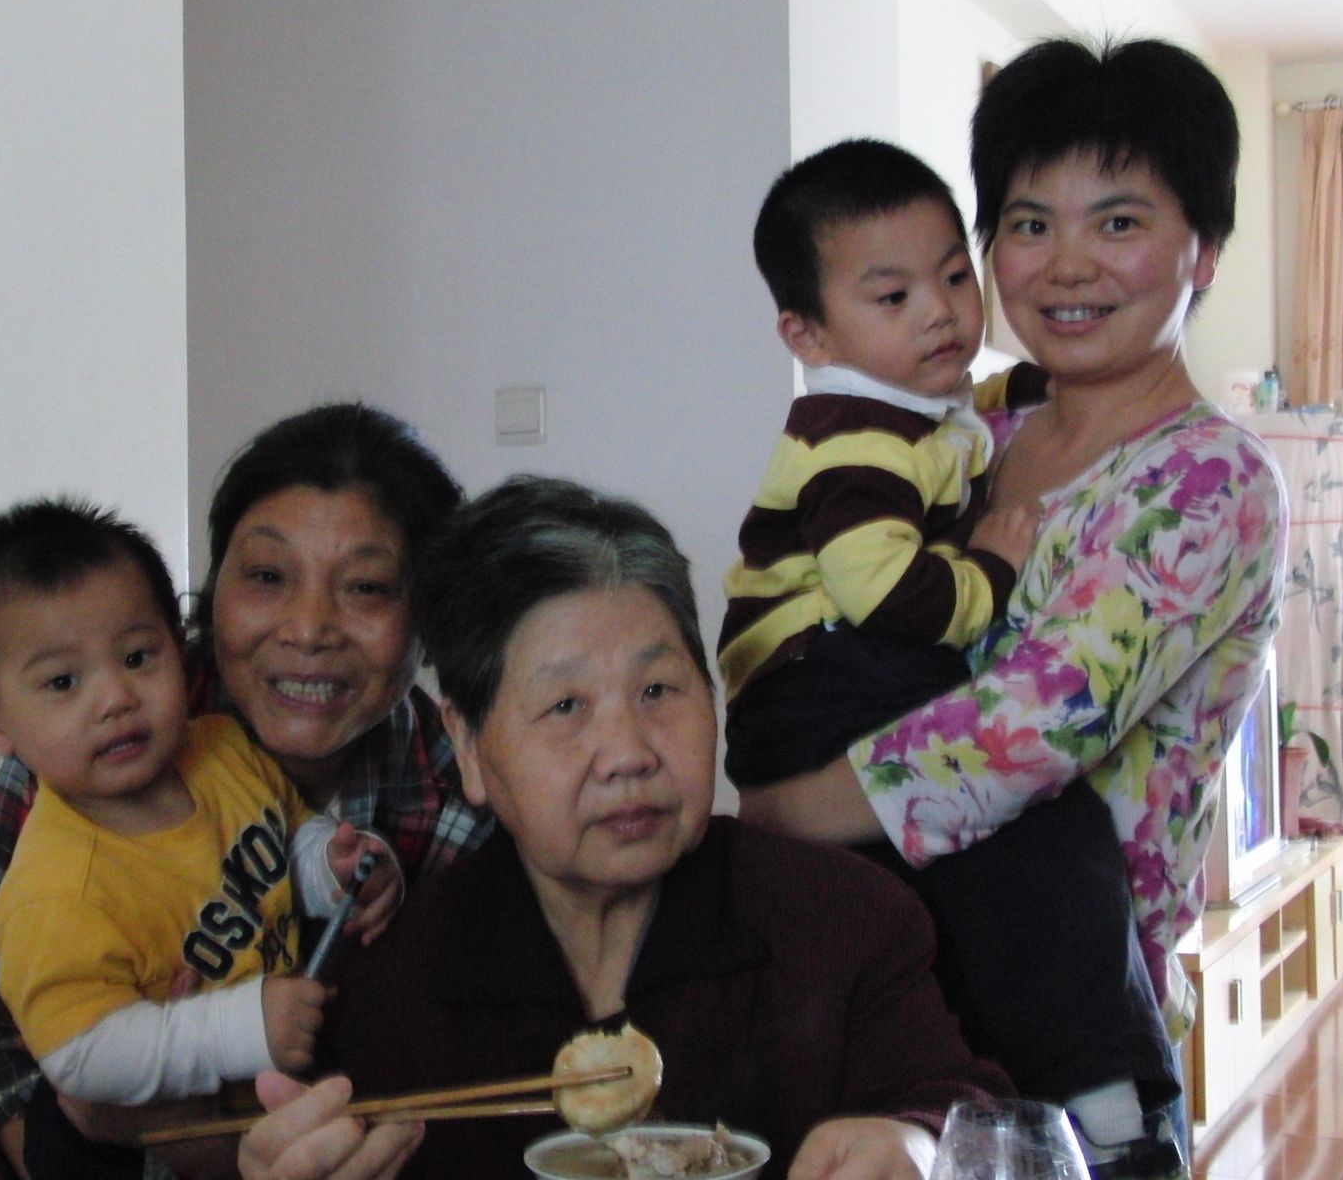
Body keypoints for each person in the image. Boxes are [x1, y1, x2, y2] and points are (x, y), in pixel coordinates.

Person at [741, 38, 1287, 1179]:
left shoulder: (1207, 480)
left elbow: (1024, 733)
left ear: (1204, 250)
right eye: (1031, 224)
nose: (1066, 265)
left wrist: (773, 818)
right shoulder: (974, 428)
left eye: (1119, 222)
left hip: (1065, 1051)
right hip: (901, 1021)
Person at [245, 475, 1014, 1180]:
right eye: (566, 706)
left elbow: (962, 1106)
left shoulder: (844, 921)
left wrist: (917, 1144)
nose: (628, 754)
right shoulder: (397, 984)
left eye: (657, 690)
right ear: (469, 745)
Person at [0, 404, 495, 1180]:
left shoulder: (457, 794)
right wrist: (115, 1120)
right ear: (213, 590)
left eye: (367, 587)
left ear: (427, 625)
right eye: (267, 577)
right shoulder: (81, 762)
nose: (308, 629)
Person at [0, 501, 347, 1132]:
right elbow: (81, 1055)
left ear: (178, 647)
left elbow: (290, 834)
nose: (116, 699)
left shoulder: (222, 748)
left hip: (282, 1103)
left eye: (136, 658)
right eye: (63, 682)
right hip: (161, 1143)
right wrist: (239, 1030)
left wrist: (333, 865)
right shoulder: (55, 893)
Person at [719, 137, 1044, 788]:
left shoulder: (902, 406)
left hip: (839, 658)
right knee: (998, 744)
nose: (940, 311)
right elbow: (889, 593)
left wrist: (1030, 385)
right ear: (809, 336)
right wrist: (990, 570)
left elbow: (959, 410)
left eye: (955, 277)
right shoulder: (852, 447)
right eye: (894, 297)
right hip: (806, 677)